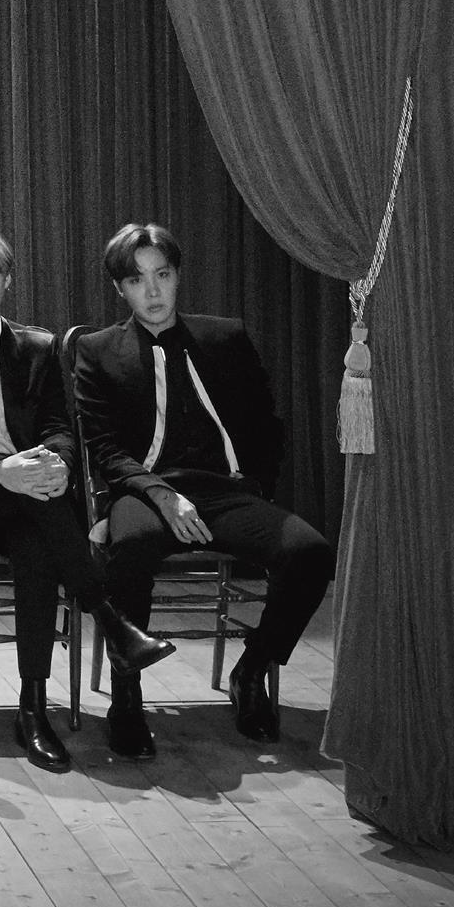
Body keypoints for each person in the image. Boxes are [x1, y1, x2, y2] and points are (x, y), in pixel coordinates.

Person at [0, 224, 172, 771]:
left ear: (7, 280)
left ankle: (33, 709)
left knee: (36, 539)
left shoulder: (39, 347)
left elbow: (59, 428)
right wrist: (2, 470)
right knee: (39, 508)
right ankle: (109, 619)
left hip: (27, 500)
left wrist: (58, 465)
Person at [73, 223, 335, 754]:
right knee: (131, 546)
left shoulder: (225, 338)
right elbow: (105, 449)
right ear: (120, 289)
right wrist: (160, 494)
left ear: (177, 277)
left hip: (226, 492)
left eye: (162, 275)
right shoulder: (97, 350)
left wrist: (256, 488)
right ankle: (127, 694)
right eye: (137, 280)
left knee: (310, 552)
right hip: (145, 492)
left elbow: (266, 425)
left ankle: (252, 670)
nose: (152, 291)